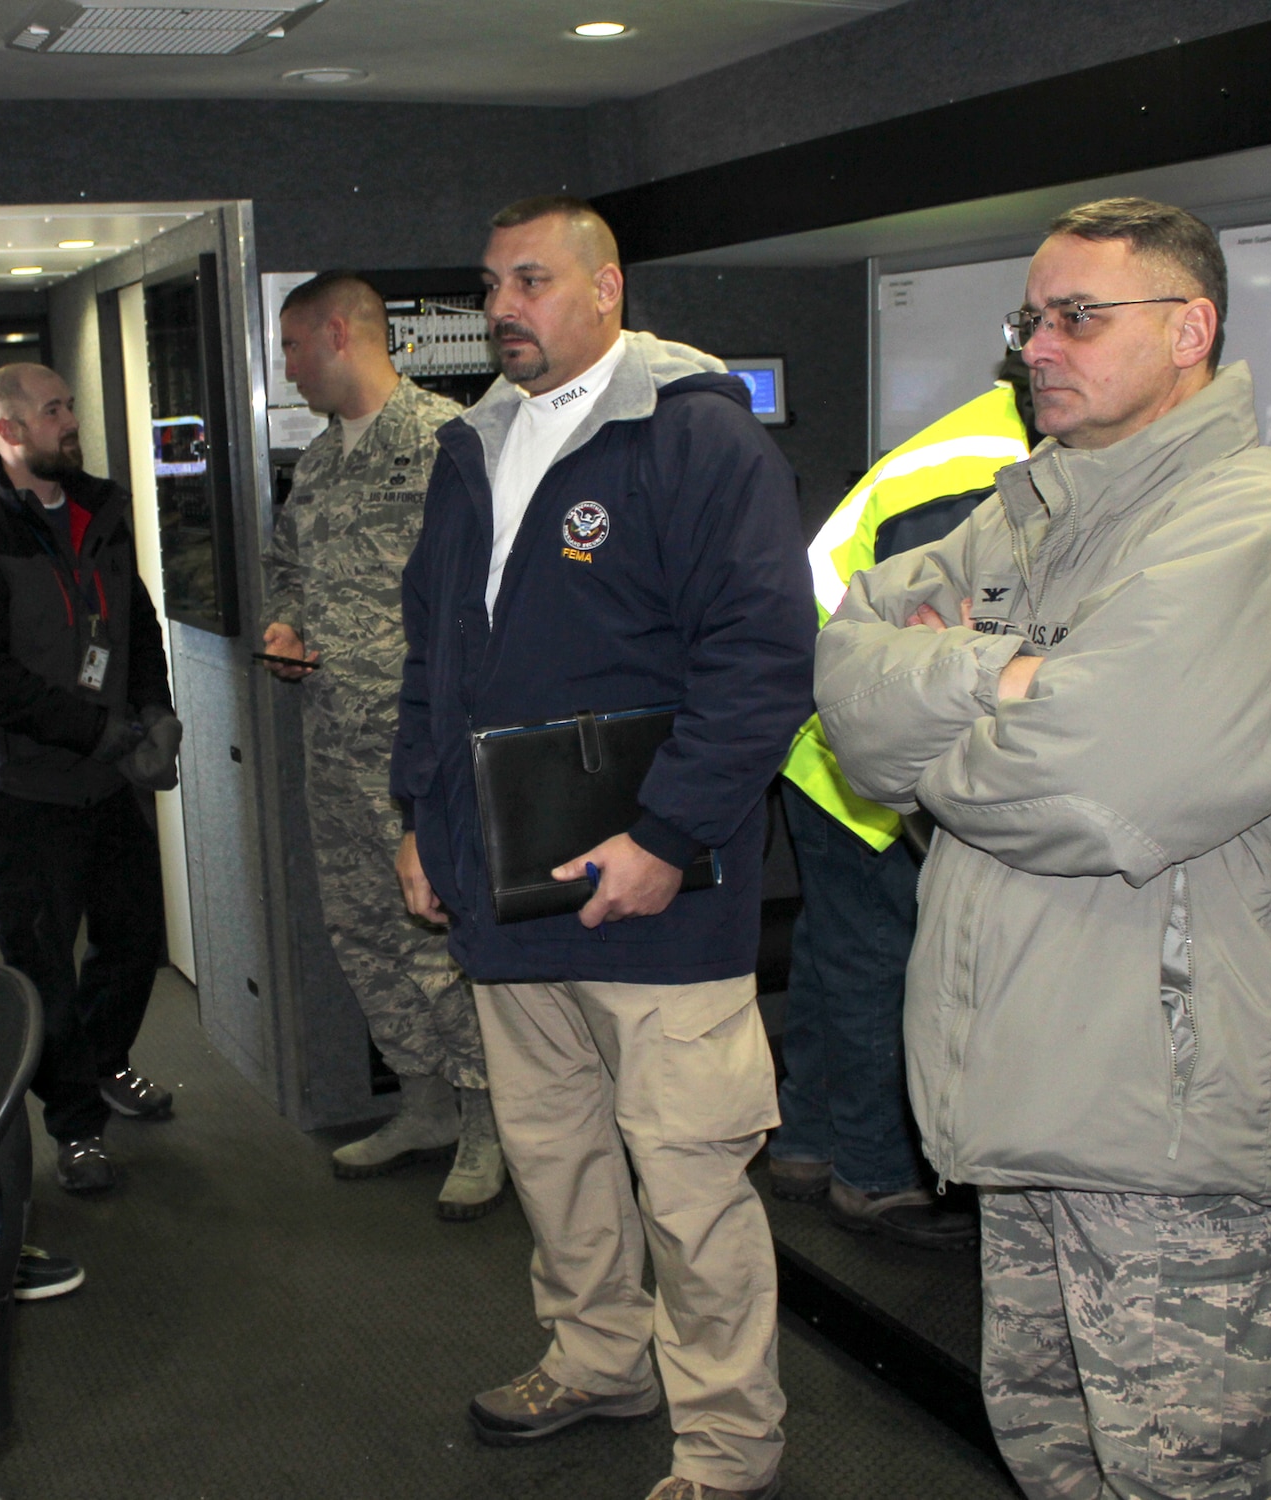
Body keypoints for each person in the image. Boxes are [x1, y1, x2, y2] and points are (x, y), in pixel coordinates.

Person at [818, 196, 1271, 1500]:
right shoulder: (1033, 508)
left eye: (1079, 315)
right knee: (1048, 1446)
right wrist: (1016, 678)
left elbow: (1091, 794)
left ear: (1191, 327)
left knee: (1179, 1475)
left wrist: (965, 718)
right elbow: (854, 699)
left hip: (1164, 1131)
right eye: (1031, 318)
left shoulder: (1253, 527)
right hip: (1016, 1098)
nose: (1039, 344)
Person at [392, 196, 814, 1500]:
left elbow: (762, 662)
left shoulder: (694, 438)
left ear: (606, 288)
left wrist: (667, 836)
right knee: (555, 1155)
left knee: (688, 1184)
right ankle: (597, 1359)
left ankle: (730, 1445)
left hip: (660, 895)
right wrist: (419, 821)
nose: (504, 307)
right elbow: (436, 664)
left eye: (532, 279)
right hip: (508, 887)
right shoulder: (473, 448)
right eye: (490, 284)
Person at [768, 371, 1033, 1249]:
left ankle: (806, 1143)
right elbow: (946, 660)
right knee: (883, 958)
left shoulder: (980, 443)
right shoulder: (982, 477)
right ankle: (876, 1176)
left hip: (822, 736)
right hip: (857, 748)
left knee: (837, 948)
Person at [260, 271, 501, 1220]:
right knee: (362, 932)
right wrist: (284, 626)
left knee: (442, 938)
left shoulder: (450, 442)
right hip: (334, 745)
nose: (285, 367)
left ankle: (492, 1123)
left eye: (288, 347)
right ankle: (426, 1103)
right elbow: (287, 567)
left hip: (423, 752)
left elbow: (485, 598)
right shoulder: (318, 462)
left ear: (336, 332)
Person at [0, 364, 181, 1196]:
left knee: (137, 941)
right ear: (9, 431)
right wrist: (97, 730)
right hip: (30, 796)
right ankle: (74, 1125)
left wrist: (155, 708)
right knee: (44, 973)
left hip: (108, 789)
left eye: (68, 405)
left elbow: (134, 618)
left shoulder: (100, 509)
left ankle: (105, 1063)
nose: (71, 421)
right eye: (54, 410)